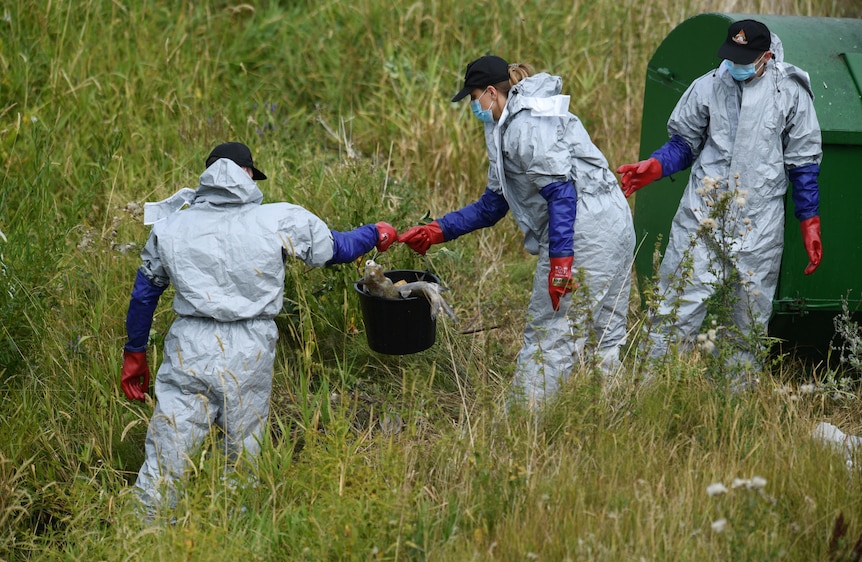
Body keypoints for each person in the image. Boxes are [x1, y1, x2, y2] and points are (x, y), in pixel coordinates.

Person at [119, 142, 397, 514]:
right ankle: (234, 538)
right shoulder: (278, 219)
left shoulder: (172, 226)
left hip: (188, 346)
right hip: (249, 349)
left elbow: (144, 295)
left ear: (207, 176)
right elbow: (338, 248)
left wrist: (134, 353)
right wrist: (375, 233)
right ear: (248, 174)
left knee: (166, 459)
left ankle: (144, 544)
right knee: (243, 459)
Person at [399, 56, 635, 405]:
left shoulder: (527, 124)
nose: (472, 105)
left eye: (473, 96)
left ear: (491, 92)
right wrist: (438, 230)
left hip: (584, 233)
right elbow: (493, 204)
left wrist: (561, 264)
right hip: (612, 224)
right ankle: (609, 417)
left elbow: (561, 193)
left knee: (549, 334)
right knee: (606, 334)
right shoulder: (505, 124)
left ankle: (524, 427)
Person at [616, 19, 823, 367]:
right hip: (702, 218)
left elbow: (802, 164)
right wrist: (655, 166)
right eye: (731, 57)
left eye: (744, 60)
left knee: (746, 327)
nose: (734, 66)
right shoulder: (708, 86)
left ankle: (731, 408)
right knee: (673, 310)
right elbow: (683, 144)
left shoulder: (790, 92)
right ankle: (651, 395)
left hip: (758, 227)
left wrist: (810, 222)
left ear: (766, 57)